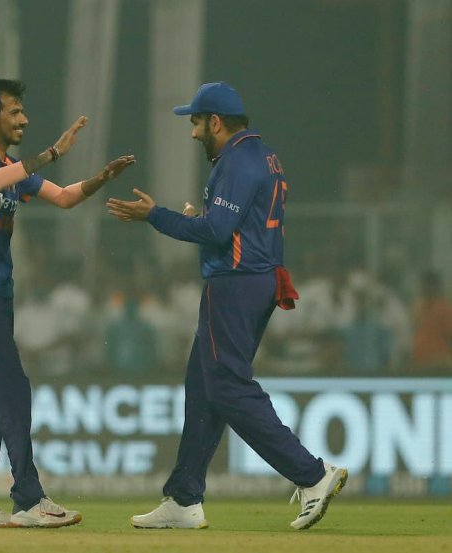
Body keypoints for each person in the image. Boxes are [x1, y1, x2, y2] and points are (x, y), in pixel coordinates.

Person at [106, 82, 347, 531]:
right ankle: (183, 498)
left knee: (227, 388)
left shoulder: (235, 161)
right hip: (255, 279)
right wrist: (201, 218)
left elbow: (217, 232)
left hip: (235, 285)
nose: (194, 132)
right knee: (202, 385)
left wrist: (155, 215)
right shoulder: (262, 155)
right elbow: (236, 224)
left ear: (216, 122)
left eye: (196, 122)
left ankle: (313, 475)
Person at [0, 78, 134, 528]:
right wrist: (52, 153)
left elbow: (64, 198)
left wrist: (99, 180)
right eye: (14, 111)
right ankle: (28, 499)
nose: (23, 118)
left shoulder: (10, 165)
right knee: (11, 387)